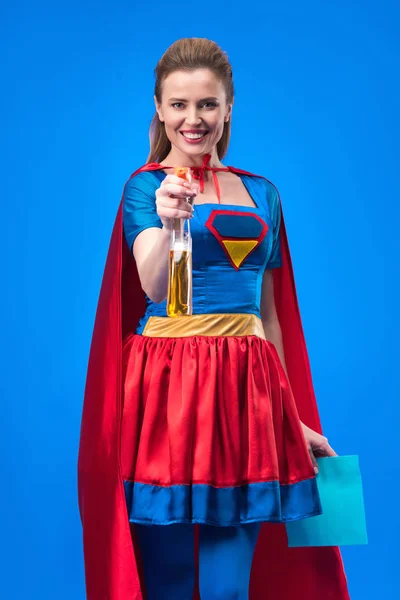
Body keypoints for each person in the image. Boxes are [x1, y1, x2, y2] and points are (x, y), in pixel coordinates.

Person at [78, 38, 350, 600]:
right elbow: (154, 286)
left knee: (229, 590)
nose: (193, 119)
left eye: (207, 104)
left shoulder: (262, 193)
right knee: (171, 582)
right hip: (167, 390)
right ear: (158, 108)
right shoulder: (146, 187)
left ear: (228, 109)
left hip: (246, 396)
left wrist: (289, 417)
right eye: (178, 105)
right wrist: (172, 220)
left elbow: (268, 318)